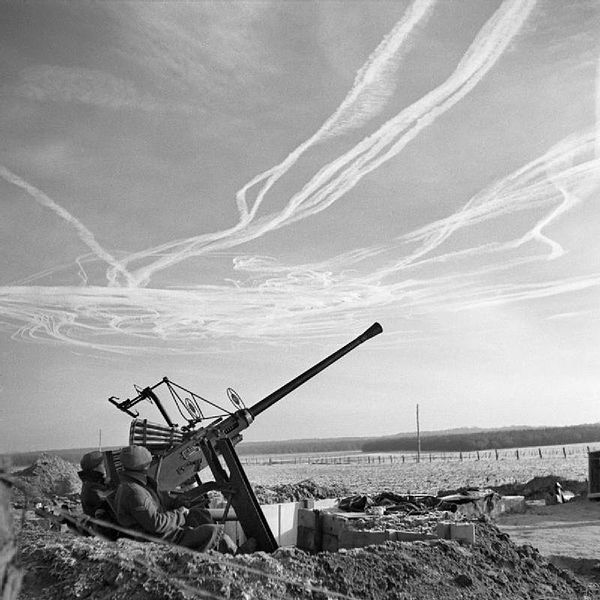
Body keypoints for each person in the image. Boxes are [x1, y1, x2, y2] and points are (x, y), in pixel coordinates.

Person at [114, 445, 243, 554]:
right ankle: (235, 556)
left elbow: (163, 501)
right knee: (211, 531)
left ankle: (231, 550)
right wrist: (180, 514)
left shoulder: (142, 485)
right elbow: (156, 524)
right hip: (157, 539)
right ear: (144, 466)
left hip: (162, 533)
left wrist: (179, 502)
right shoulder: (135, 492)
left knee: (199, 514)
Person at [77, 451, 118, 539]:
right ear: (95, 468)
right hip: (107, 533)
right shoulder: (93, 488)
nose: (104, 467)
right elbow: (115, 501)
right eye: (102, 464)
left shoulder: (91, 483)